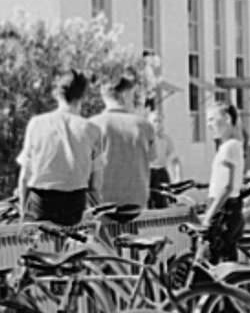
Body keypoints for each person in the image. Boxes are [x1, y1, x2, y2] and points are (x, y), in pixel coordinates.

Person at [15, 69, 104, 226]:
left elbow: (24, 178)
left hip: (41, 204)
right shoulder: (92, 130)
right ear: (82, 96)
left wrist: (24, 213)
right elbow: (95, 185)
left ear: (57, 94)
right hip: (74, 206)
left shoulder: (36, 124)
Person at [89, 72, 157, 209]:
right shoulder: (145, 126)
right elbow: (153, 157)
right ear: (125, 95)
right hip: (137, 203)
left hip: (102, 204)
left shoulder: (92, 125)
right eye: (132, 94)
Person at [201, 102, 245, 263]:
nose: (209, 125)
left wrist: (209, 215)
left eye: (212, 119)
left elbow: (227, 186)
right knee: (225, 259)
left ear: (226, 119)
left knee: (217, 261)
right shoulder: (233, 145)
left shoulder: (229, 147)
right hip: (229, 207)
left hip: (223, 209)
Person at [147, 110, 182, 208]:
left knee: (163, 201)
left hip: (161, 172)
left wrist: (178, 177)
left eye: (159, 121)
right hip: (148, 172)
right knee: (148, 203)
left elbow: (175, 160)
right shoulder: (145, 139)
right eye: (154, 121)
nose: (157, 124)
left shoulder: (166, 139)